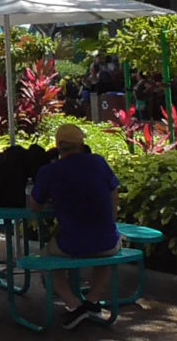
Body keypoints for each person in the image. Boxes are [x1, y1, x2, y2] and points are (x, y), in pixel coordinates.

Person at [29, 124, 121, 330]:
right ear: (82, 144)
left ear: (58, 146)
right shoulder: (99, 163)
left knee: (46, 258)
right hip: (107, 241)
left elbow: (34, 206)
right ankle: (92, 300)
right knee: (109, 250)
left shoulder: (49, 171)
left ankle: (74, 304)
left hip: (71, 244)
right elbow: (114, 195)